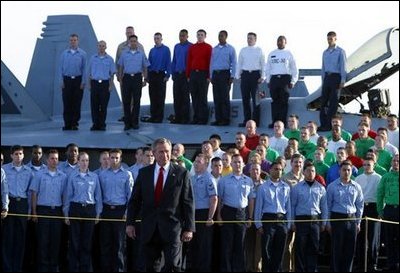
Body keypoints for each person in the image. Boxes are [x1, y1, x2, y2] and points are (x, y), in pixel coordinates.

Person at [126, 138, 195, 272]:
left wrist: (189, 228)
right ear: (154, 153)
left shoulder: (182, 173)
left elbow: (188, 201)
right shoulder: (144, 173)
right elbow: (134, 200)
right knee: (149, 266)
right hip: (149, 228)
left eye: (167, 151)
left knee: (173, 265)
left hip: (173, 227)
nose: (165, 155)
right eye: (161, 152)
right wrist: (130, 223)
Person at [64, 152, 102, 272]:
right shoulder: (72, 177)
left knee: (87, 243)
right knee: (74, 242)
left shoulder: (94, 177)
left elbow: (98, 197)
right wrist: (66, 214)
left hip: (90, 210)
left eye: (87, 160)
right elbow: (68, 196)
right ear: (78, 162)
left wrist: (98, 213)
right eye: (82, 160)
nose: (85, 163)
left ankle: (85, 268)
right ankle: (73, 268)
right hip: (75, 209)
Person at [30, 149, 67, 272]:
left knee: (55, 241)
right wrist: (34, 212)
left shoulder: (63, 176)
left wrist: (64, 213)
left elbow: (64, 196)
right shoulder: (39, 175)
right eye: (52, 158)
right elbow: (34, 194)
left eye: (56, 158)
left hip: (56, 211)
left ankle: (53, 267)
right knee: (43, 241)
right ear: (47, 160)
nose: (54, 161)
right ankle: (42, 268)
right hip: (43, 210)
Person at [217, 154, 253, 271]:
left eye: (239, 162)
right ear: (231, 164)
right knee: (227, 245)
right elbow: (219, 199)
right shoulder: (223, 180)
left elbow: (251, 199)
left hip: (242, 213)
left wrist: (250, 217)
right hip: (227, 212)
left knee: (240, 245)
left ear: (243, 164)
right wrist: (219, 215)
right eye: (235, 162)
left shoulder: (248, 181)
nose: (237, 164)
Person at [99, 149, 134, 272]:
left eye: (116, 158)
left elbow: (130, 196)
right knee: (106, 244)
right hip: (106, 210)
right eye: (112, 157)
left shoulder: (127, 174)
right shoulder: (102, 174)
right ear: (108, 159)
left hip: (120, 211)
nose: (114, 160)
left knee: (119, 244)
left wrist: (127, 213)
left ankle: (119, 269)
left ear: (121, 159)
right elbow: (99, 195)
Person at [326, 160, 364, 272]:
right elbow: (328, 205)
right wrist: (328, 222)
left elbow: (360, 205)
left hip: (351, 220)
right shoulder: (332, 186)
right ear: (339, 171)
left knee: (350, 250)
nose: (346, 172)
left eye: (349, 170)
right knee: (336, 249)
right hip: (337, 219)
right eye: (344, 170)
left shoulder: (356, 186)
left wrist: (358, 222)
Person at [291, 161, 328, 272]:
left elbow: (324, 207)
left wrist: (324, 222)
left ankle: (312, 269)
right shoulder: (296, 188)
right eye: (308, 171)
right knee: (300, 247)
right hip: (301, 220)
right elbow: (292, 206)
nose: (311, 173)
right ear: (303, 172)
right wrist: (292, 222)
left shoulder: (321, 188)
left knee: (314, 247)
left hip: (315, 221)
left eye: (313, 171)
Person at [254, 161, 291, 272]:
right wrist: (258, 224)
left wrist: (288, 224)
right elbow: (259, 207)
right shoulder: (263, 187)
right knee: (266, 250)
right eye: (275, 169)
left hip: (281, 220)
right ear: (270, 170)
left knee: (279, 250)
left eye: (280, 169)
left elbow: (288, 207)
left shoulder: (286, 187)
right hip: (268, 219)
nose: (278, 171)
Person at [2, 145, 34, 272]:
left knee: (20, 239)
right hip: (9, 203)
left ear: (23, 155)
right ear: (11, 156)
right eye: (16, 154)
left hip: (22, 204)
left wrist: (29, 211)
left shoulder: (29, 171)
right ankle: (7, 267)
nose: (18, 156)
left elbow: (30, 193)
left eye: (20, 153)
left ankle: (17, 268)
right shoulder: (4, 169)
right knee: (8, 238)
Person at [189, 154, 218, 272]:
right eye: (195, 161)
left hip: (204, 213)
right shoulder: (193, 177)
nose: (195, 164)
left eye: (199, 162)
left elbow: (214, 199)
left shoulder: (209, 178)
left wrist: (210, 216)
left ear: (206, 164)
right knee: (194, 243)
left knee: (204, 244)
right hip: (193, 213)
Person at [117, 34, 149, 130]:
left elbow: (145, 67)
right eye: (131, 41)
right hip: (127, 78)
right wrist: (120, 78)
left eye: (135, 41)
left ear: (137, 42)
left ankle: (135, 122)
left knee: (136, 101)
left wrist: (145, 79)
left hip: (137, 78)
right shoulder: (124, 53)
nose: (133, 43)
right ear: (129, 43)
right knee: (126, 101)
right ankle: (127, 123)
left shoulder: (141, 54)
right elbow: (121, 67)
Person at [265, 35, 298, 128]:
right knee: (275, 101)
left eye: (281, 41)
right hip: (274, 79)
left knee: (283, 101)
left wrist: (293, 81)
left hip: (285, 78)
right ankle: (275, 122)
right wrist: (268, 80)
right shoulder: (272, 53)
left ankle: (282, 123)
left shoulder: (289, 53)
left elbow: (294, 68)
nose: (279, 42)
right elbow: (267, 68)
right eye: (278, 41)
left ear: (285, 42)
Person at [115, 26, 145, 123]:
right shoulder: (120, 47)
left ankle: (134, 118)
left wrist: (144, 78)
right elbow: (117, 62)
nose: (129, 34)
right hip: (124, 76)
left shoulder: (140, 47)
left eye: (131, 32)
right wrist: (118, 76)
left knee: (135, 99)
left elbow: (143, 62)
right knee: (126, 98)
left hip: (136, 76)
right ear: (125, 33)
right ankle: (126, 117)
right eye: (127, 33)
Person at [318, 31, 347, 131]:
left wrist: (343, 80)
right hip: (327, 77)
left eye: (331, 39)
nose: (329, 41)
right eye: (328, 39)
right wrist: (323, 81)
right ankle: (323, 124)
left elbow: (343, 67)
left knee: (333, 103)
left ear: (335, 39)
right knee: (323, 102)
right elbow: (323, 67)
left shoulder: (340, 51)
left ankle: (329, 125)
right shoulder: (325, 52)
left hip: (336, 77)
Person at [236, 32, 265, 127]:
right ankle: (247, 121)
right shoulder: (243, 50)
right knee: (245, 99)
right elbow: (239, 63)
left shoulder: (259, 50)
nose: (249, 40)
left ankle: (255, 121)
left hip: (255, 75)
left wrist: (263, 76)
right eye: (248, 38)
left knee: (256, 99)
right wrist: (238, 75)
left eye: (251, 38)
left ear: (255, 40)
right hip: (245, 75)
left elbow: (263, 64)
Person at [59, 33, 87, 131]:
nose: (73, 42)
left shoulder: (82, 54)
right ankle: (67, 124)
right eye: (71, 40)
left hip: (78, 80)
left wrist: (83, 82)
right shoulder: (64, 54)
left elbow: (84, 69)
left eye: (75, 40)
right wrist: (61, 81)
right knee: (67, 103)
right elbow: (60, 69)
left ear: (77, 41)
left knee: (76, 103)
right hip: (66, 80)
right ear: (69, 41)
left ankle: (75, 123)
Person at [376, 154, 399, 272]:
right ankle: (392, 265)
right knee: (389, 239)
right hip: (389, 210)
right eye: (394, 161)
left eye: (398, 161)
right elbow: (380, 194)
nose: (396, 163)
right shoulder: (385, 177)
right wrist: (380, 210)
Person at [210, 30, 237, 126]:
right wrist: (210, 75)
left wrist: (232, 76)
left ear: (226, 37)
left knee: (224, 98)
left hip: (225, 74)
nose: (220, 37)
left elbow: (234, 63)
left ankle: (225, 119)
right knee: (216, 97)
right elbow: (211, 63)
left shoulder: (230, 49)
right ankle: (218, 119)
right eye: (219, 36)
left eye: (222, 36)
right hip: (215, 75)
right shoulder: (214, 49)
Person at [88, 40, 116, 131]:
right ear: (97, 47)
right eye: (100, 46)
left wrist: (110, 85)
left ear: (106, 47)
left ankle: (102, 124)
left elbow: (112, 74)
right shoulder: (92, 58)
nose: (101, 47)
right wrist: (89, 84)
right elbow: (89, 72)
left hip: (105, 84)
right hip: (95, 83)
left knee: (103, 106)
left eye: (103, 46)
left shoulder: (110, 59)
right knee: (94, 105)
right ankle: (95, 124)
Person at [186, 29, 212, 125]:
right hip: (193, 74)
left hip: (203, 74)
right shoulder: (192, 47)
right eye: (198, 35)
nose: (200, 36)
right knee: (194, 96)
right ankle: (196, 117)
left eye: (201, 35)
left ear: (205, 36)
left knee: (202, 97)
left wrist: (209, 76)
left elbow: (210, 62)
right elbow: (189, 61)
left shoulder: (208, 47)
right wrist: (188, 75)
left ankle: (203, 118)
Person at [146, 32, 171, 123]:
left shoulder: (166, 49)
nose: (156, 40)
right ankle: (153, 116)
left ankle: (159, 117)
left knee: (160, 96)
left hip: (161, 75)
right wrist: (147, 76)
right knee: (152, 96)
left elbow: (168, 62)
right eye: (155, 38)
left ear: (161, 39)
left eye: (158, 38)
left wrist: (168, 75)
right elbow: (148, 64)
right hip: (152, 75)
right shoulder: (152, 50)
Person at [170, 29, 192, 124]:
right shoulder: (176, 46)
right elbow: (174, 60)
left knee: (185, 97)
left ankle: (185, 118)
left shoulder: (191, 46)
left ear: (187, 36)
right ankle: (178, 117)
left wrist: (189, 74)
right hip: (177, 74)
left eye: (183, 35)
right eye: (180, 35)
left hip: (185, 74)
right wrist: (173, 73)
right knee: (177, 96)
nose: (181, 37)